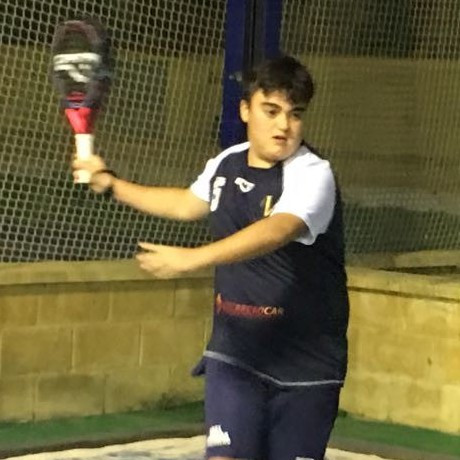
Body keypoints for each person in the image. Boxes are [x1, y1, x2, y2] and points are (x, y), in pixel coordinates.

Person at [73, 55, 349, 460]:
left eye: (295, 114)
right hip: (236, 354)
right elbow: (186, 203)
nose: (284, 126)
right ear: (245, 110)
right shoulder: (226, 163)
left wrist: (192, 260)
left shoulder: (312, 173)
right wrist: (111, 183)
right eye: (271, 111)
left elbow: (277, 229)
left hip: (306, 365)